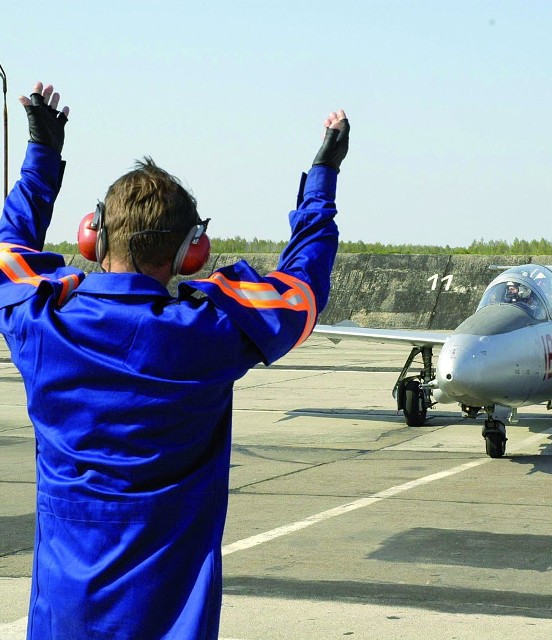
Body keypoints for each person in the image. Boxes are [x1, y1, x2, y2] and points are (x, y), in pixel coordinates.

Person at [0, 81, 349, 639]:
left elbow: (7, 253)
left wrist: (41, 157)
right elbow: (301, 288)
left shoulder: (43, 322)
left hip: (64, 617)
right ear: (192, 251)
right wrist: (322, 181)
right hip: (173, 619)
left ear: (94, 234)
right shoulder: (209, 329)